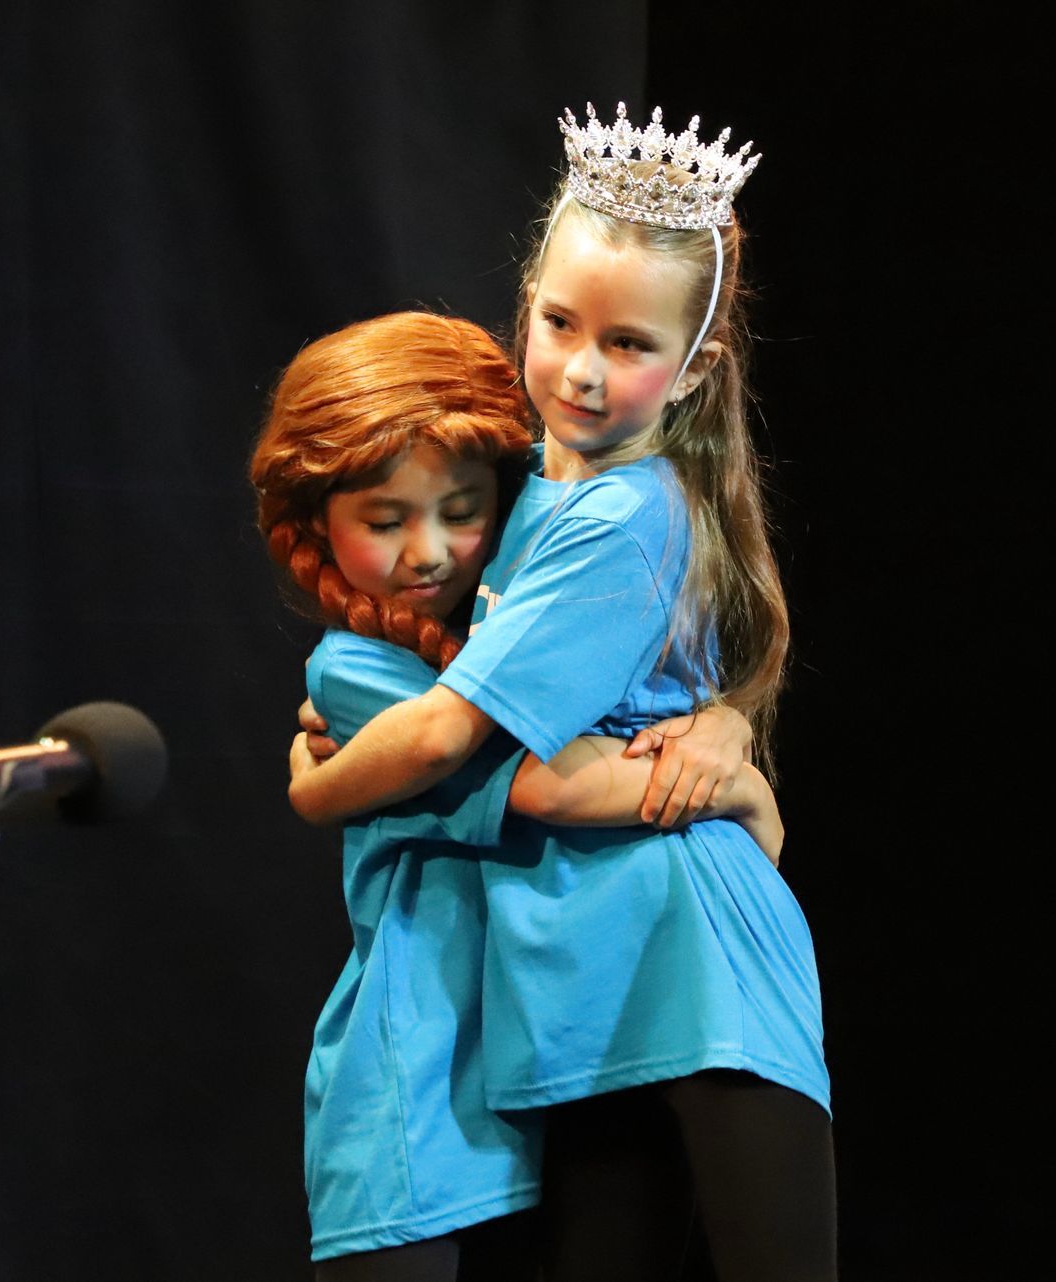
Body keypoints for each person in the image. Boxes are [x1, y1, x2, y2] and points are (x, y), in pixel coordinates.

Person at [287, 106, 836, 1280]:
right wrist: (734, 759)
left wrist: (323, 790)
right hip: (582, 970)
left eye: (633, 343)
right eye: (558, 323)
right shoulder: (517, 492)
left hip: (691, 947)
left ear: (697, 367)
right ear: (526, 298)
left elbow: (483, 752)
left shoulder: (625, 513)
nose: (583, 369)